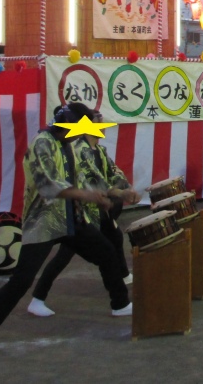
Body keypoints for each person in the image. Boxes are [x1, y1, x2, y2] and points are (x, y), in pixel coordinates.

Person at [0, 103, 131, 357]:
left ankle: (120, 304)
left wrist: (113, 192)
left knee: (107, 251)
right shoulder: (42, 143)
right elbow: (47, 185)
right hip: (43, 220)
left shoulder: (71, 146)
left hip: (72, 218)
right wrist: (87, 195)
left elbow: (85, 178)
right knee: (21, 280)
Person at [29, 110, 140, 317]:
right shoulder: (79, 150)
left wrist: (124, 188)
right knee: (65, 255)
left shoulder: (99, 150)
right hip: (81, 212)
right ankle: (38, 297)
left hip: (96, 210)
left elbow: (113, 172)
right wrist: (118, 193)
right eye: (99, 122)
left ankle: (121, 287)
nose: (102, 125)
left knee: (113, 240)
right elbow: (94, 180)